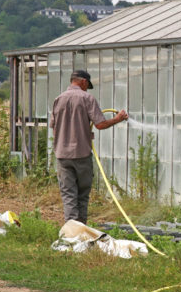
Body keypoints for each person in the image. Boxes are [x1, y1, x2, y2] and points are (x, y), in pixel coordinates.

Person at [50, 70, 128, 225]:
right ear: (83, 82)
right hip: (81, 154)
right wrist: (118, 119)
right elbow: (100, 124)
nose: (87, 88)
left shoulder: (58, 99)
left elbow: (53, 127)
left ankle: (72, 230)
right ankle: (81, 227)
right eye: (87, 85)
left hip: (62, 155)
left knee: (68, 194)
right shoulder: (87, 98)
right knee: (82, 193)